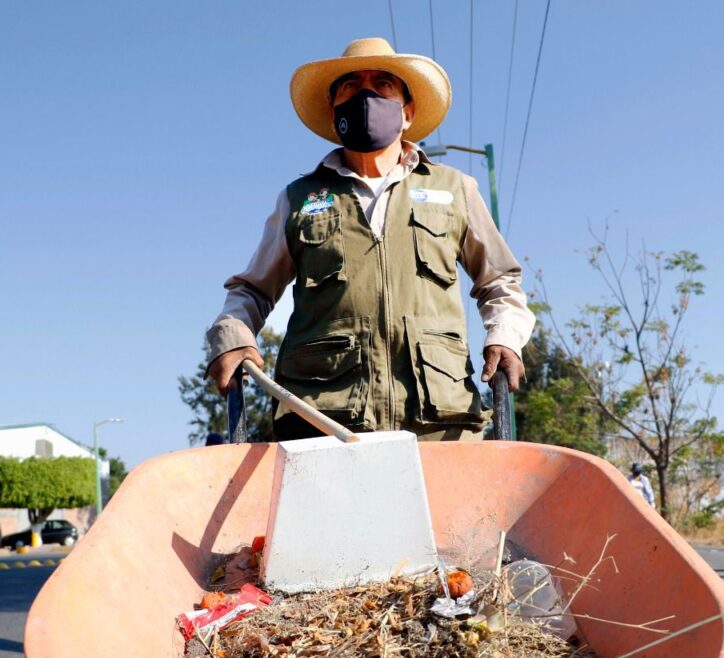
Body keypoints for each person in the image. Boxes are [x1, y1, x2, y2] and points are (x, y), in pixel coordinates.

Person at [204, 38, 534, 441]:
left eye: (382, 84)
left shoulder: (454, 189)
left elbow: (500, 280)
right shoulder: (299, 198)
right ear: (334, 113)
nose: (365, 95)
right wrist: (233, 337)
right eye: (351, 85)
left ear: (407, 113)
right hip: (322, 423)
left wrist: (505, 337)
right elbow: (251, 291)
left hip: (440, 422)